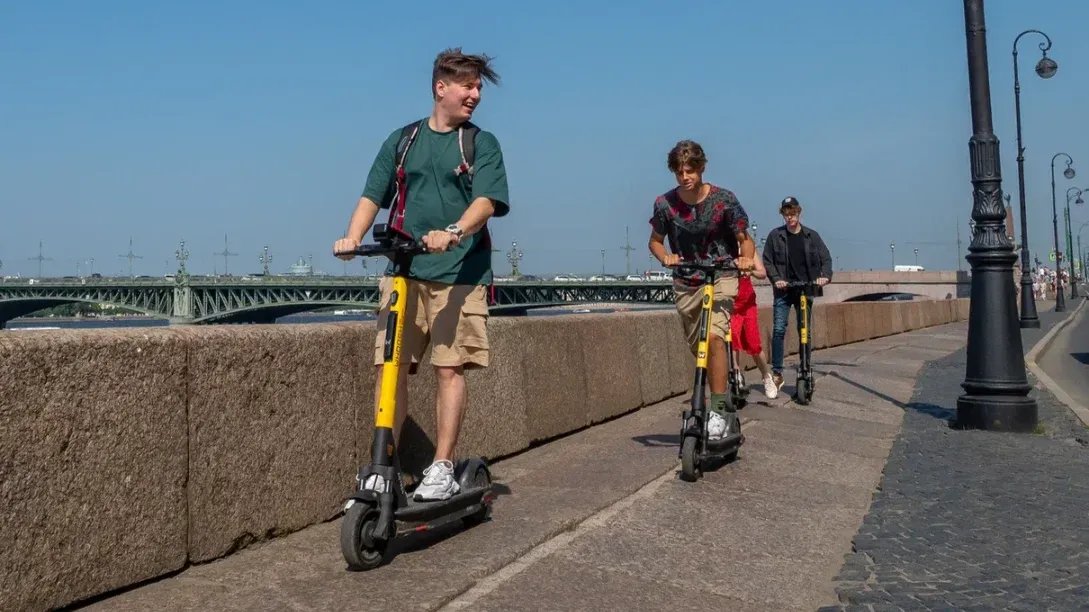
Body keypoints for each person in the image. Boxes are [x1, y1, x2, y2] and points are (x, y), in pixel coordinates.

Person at [333, 48, 510, 501]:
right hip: (404, 271)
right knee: (389, 367)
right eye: (468, 86)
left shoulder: (479, 144)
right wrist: (351, 239)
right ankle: (382, 465)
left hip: (460, 273)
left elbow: (486, 202)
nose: (475, 95)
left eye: (478, 88)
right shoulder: (404, 140)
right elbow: (373, 194)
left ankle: (441, 467)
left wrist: (454, 231)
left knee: (449, 368)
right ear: (441, 88)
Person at [648, 140, 755, 440]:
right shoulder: (665, 204)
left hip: (720, 274)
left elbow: (744, 237)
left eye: (690, 170)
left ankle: (719, 411)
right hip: (686, 281)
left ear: (702, 168)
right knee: (701, 350)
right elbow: (655, 240)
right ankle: (722, 393)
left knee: (715, 336)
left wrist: (745, 257)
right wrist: (665, 256)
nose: (685, 177)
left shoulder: (724, 200)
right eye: (679, 172)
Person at [761, 196, 832, 392]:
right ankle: (777, 373)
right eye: (786, 213)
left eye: (793, 213)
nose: (790, 217)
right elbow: (767, 261)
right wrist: (777, 279)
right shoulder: (776, 236)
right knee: (778, 330)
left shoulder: (811, 236)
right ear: (783, 215)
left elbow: (826, 258)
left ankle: (805, 367)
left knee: (804, 331)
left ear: (799, 213)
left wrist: (824, 277)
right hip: (784, 290)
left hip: (805, 289)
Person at [731, 245, 778, 399]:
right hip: (731, 303)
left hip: (747, 303)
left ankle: (766, 376)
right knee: (732, 340)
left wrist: (749, 271)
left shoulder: (748, 249)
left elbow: (762, 273)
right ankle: (736, 375)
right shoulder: (722, 250)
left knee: (754, 344)